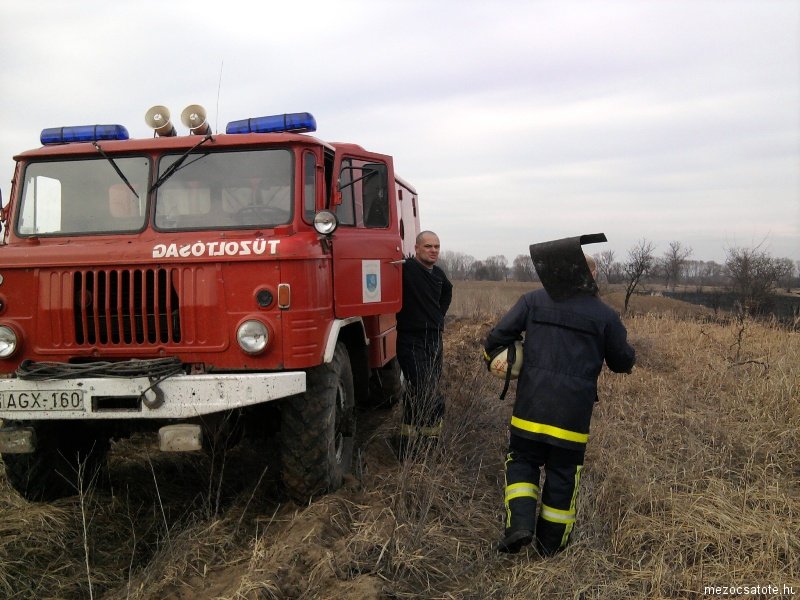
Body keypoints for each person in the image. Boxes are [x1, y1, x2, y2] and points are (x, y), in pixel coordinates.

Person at [484, 252, 635, 555]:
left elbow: (497, 336)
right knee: (564, 473)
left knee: (522, 461)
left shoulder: (533, 300)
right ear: (592, 276)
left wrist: (501, 359)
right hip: (573, 415)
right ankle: (550, 548)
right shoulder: (605, 315)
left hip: (530, 407)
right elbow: (622, 362)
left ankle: (519, 526)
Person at [395, 230, 453, 455]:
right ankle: (430, 447)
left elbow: (448, 292)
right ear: (417, 248)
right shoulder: (407, 269)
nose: (433, 250)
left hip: (434, 340)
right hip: (412, 339)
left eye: (437, 246)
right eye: (428, 246)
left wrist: (438, 315)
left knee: (417, 392)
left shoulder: (438, 274)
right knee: (428, 393)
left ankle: (406, 444)